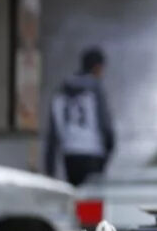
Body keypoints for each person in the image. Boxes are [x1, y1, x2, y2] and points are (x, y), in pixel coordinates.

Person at [45, 47, 116, 186]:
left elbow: (53, 131)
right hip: (93, 152)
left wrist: (50, 168)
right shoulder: (95, 89)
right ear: (97, 67)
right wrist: (109, 149)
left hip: (69, 152)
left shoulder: (62, 90)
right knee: (91, 201)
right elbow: (105, 125)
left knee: (76, 196)